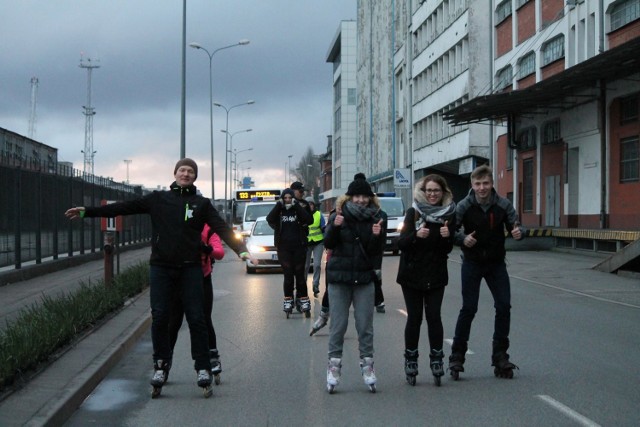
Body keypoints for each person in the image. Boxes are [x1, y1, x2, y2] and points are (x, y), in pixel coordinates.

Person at [65, 158, 256, 396]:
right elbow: (124, 207)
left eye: (190, 172)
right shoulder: (158, 200)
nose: (186, 174)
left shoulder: (201, 204)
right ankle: (161, 365)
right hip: (162, 268)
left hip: (190, 269)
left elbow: (222, 228)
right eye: (182, 170)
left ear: (195, 177)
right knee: (161, 317)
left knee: (197, 318)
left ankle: (203, 368)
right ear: (175, 173)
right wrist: (87, 212)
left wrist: (243, 250)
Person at [449, 164, 524, 380]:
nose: (482, 188)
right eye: (478, 184)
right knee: (468, 308)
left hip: (496, 264)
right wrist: (463, 239)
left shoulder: (503, 204)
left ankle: (500, 356)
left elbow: (516, 226)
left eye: (486, 183)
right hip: (472, 263)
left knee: (503, 306)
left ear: (492, 184)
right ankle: (457, 356)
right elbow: (451, 231)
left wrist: (519, 232)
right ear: (472, 185)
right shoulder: (464, 205)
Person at [323, 175, 385, 393]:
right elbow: (328, 244)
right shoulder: (338, 215)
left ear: (370, 198)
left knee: (365, 326)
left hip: (364, 279)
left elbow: (375, 252)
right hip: (340, 279)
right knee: (338, 326)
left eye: (364, 196)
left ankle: (368, 367)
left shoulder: (376, 218)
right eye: (357, 196)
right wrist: (335, 227)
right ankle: (334, 368)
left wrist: (377, 236)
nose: (360, 200)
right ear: (349, 197)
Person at [396, 174, 456, 386]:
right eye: (429, 190)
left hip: (436, 273)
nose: (432, 194)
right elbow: (401, 243)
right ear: (423, 191)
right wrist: (415, 236)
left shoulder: (449, 214)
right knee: (414, 318)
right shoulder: (413, 212)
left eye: (436, 191)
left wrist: (448, 236)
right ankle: (411, 361)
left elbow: (447, 249)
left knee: (434, 317)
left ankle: (437, 360)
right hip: (412, 274)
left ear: (443, 193)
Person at [168, 224, 225, 384]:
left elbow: (219, 252)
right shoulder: (177, 224)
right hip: (179, 278)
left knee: (204, 319)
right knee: (174, 321)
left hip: (202, 278)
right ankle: (165, 358)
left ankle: (212, 356)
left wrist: (206, 249)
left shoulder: (207, 229)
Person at [266, 188, 314, 317]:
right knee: (288, 276)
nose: (287, 200)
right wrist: (278, 205)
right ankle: (288, 299)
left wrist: (296, 206)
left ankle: (303, 300)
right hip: (283, 248)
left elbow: (309, 220)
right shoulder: (280, 211)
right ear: (282, 198)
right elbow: (269, 218)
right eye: (285, 198)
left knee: (300, 276)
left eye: (289, 198)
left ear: (293, 198)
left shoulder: (298, 208)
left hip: (299, 247)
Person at [304, 197, 325, 297]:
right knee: (305, 266)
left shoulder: (319, 215)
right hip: (306, 243)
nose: (310, 206)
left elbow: (324, 229)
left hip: (318, 242)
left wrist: (327, 242)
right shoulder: (303, 215)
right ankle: (302, 285)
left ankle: (315, 285)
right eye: (308, 204)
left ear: (314, 205)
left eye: (311, 204)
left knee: (316, 265)